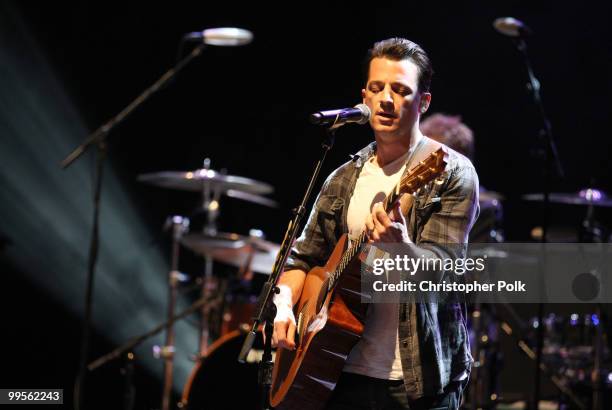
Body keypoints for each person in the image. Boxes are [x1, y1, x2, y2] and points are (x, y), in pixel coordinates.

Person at [272, 38, 480, 410]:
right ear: (364, 97)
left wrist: (401, 247)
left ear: (423, 103)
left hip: (415, 380)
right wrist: (285, 305)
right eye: (377, 87)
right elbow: (301, 260)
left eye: (400, 90)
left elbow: (449, 271)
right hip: (338, 372)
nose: (386, 98)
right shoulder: (343, 176)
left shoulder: (448, 171)